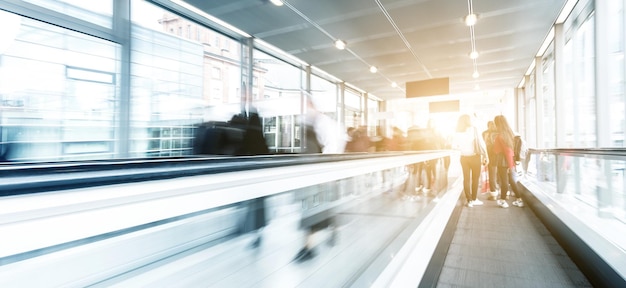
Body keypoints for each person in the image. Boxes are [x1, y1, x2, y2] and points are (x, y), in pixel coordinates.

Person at [293, 96, 347, 262]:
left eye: (308, 105)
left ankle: (312, 244)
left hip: (322, 174)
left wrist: (326, 171)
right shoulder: (309, 123)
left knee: (318, 208)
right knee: (315, 208)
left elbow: (332, 146)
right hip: (313, 174)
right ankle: (311, 244)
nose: (306, 109)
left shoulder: (324, 123)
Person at [450, 114, 488, 207]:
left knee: (466, 179)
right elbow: (482, 143)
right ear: (468, 120)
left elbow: (454, 146)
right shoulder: (474, 129)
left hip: (463, 157)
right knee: (475, 179)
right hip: (475, 157)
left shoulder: (457, 132)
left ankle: (469, 200)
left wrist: (462, 146)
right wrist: (486, 155)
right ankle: (474, 199)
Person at [493, 115, 524, 208]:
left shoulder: (501, 136)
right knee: (511, 181)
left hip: (503, 161)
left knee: (505, 181)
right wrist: (511, 165)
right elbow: (510, 151)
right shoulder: (509, 134)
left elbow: (507, 151)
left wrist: (510, 166)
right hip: (509, 160)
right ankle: (519, 200)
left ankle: (502, 200)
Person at [482, 121, 499, 200]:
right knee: (501, 175)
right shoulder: (499, 133)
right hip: (499, 155)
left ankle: (494, 194)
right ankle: (505, 194)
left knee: (492, 175)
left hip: (490, 155)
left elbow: (484, 145)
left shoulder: (485, 133)